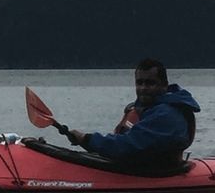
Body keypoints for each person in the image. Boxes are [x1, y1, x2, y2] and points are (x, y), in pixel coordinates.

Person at [67, 58, 199, 169]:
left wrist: (86, 139)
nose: (143, 88)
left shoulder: (167, 114)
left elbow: (128, 145)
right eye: (139, 82)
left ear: (164, 86)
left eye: (150, 83)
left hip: (158, 171)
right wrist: (85, 141)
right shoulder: (150, 107)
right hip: (141, 166)